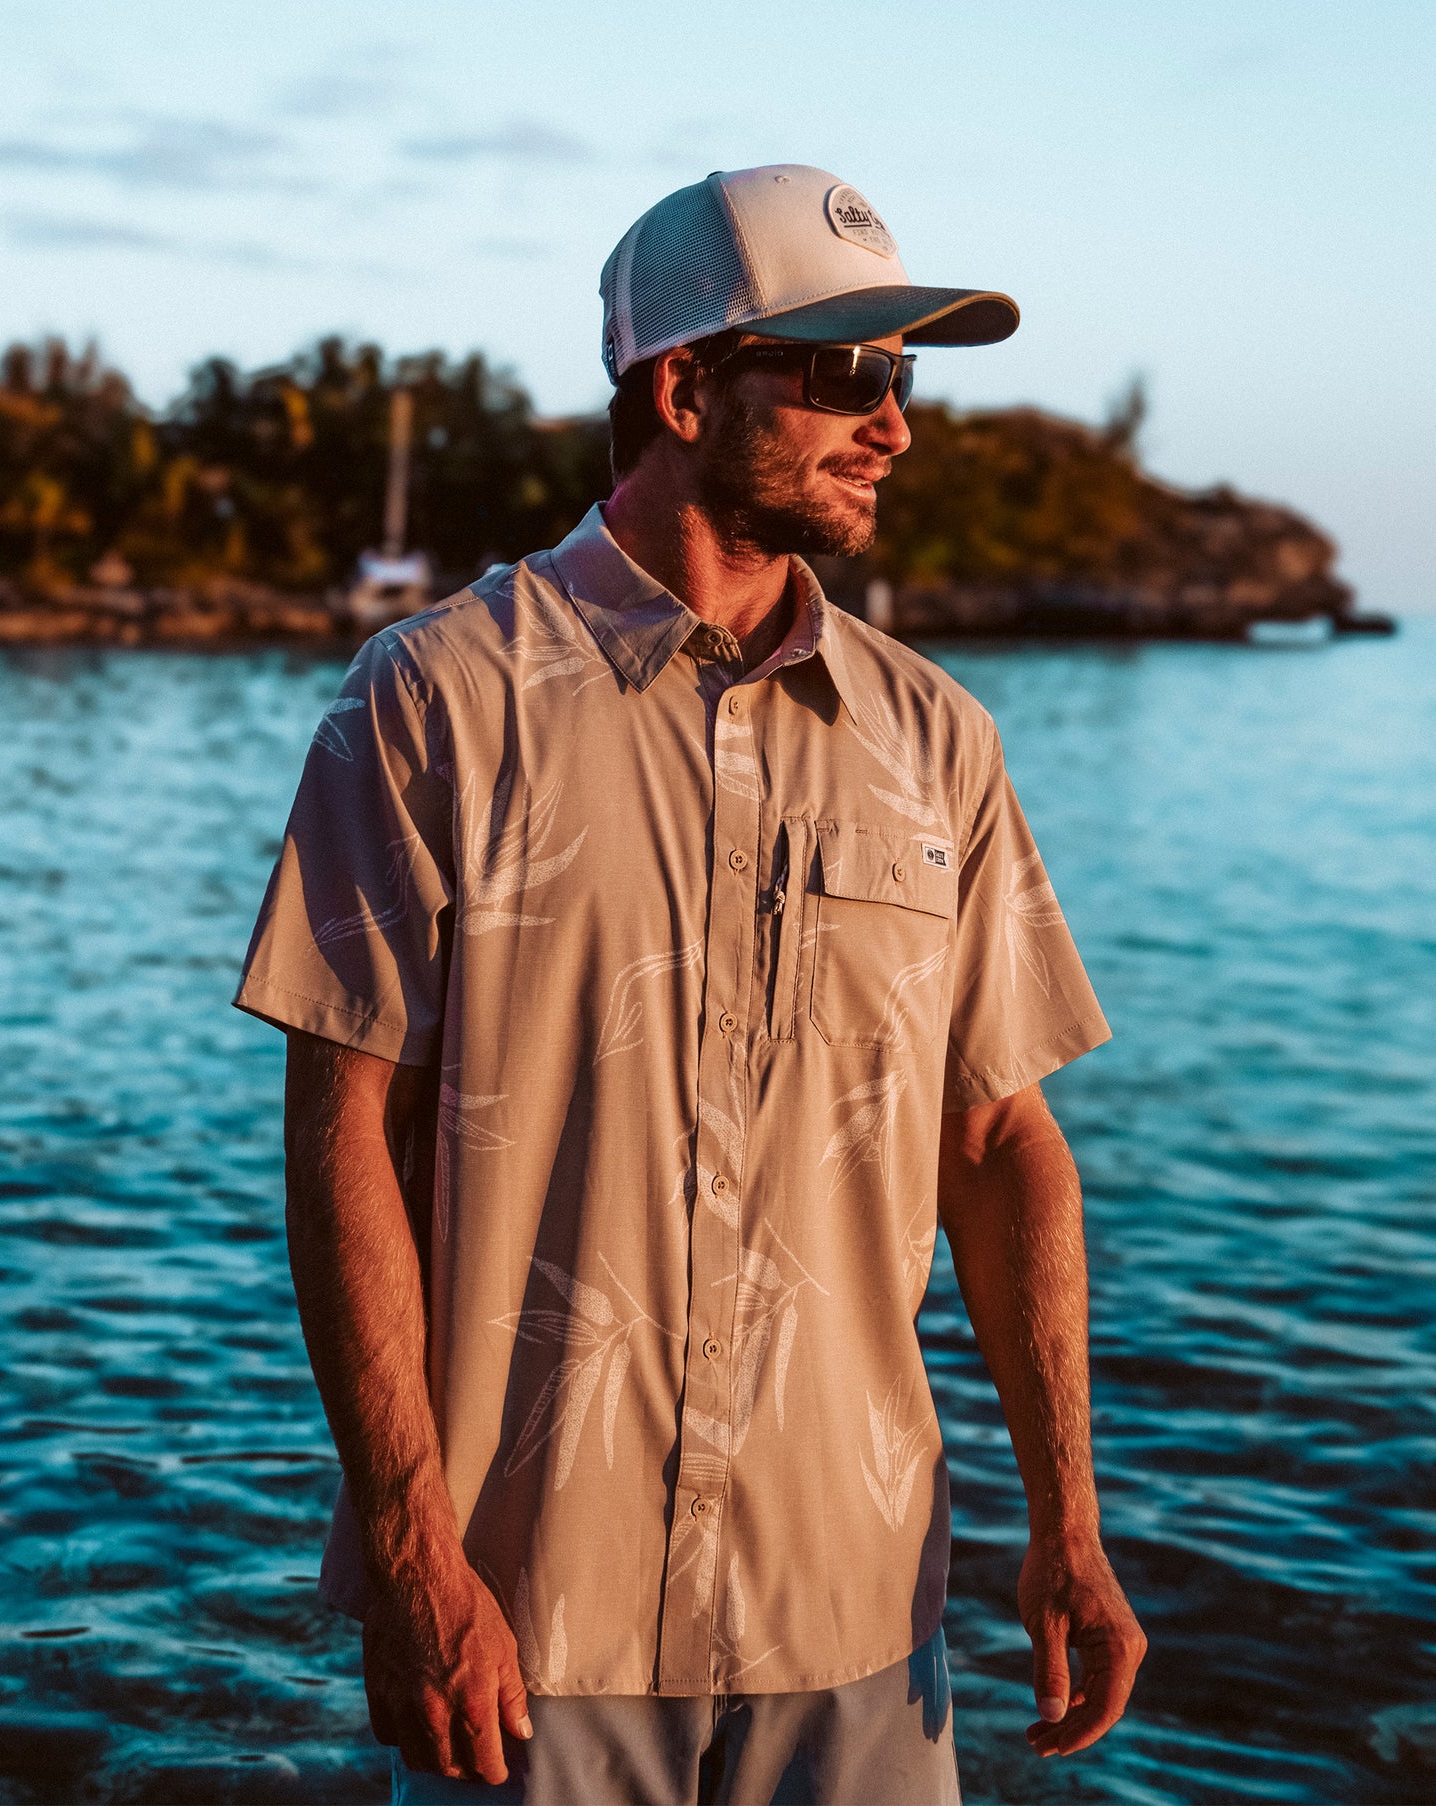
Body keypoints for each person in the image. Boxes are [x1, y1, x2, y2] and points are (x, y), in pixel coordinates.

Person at [236, 163, 1146, 1805]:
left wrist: (1068, 1525)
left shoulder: (936, 742)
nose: (896, 429)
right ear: (681, 387)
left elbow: (999, 1138)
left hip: (860, 1613)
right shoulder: (433, 703)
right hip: (527, 1621)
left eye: (904, 381)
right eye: (850, 375)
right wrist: (412, 1558)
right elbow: (340, 1139)